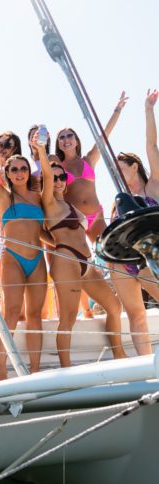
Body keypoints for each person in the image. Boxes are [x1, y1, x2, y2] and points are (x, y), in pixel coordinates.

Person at [32, 136, 126, 366]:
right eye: (52, 178)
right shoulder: (50, 203)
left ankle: (119, 354)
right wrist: (42, 151)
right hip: (66, 261)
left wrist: (53, 238)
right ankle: (66, 367)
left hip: (86, 261)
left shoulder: (69, 204)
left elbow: (47, 232)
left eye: (61, 177)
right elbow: (45, 174)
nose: (57, 181)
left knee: (114, 306)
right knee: (69, 317)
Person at [0, 124, 47, 379]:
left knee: (35, 316)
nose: (19, 172)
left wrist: (39, 148)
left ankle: (36, 370)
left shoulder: (39, 196)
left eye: (23, 168)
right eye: (14, 169)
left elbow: (49, 176)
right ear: (7, 173)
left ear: (29, 171)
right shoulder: (4, 197)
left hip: (38, 259)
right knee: (11, 314)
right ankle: (1, 370)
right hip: (12, 260)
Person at [107, 89, 159, 354]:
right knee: (136, 316)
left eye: (120, 166)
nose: (116, 172)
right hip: (122, 263)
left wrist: (148, 110)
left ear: (134, 165)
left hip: (151, 256)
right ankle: (147, 371)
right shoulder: (118, 201)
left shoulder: (153, 188)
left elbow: (152, 147)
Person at [55, 91, 128, 242]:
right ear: (58, 144)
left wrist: (117, 109)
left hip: (97, 216)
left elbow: (104, 134)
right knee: (85, 262)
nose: (66, 139)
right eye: (61, 137)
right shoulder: (57, 166)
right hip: (75, 218)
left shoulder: (88, 159)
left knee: (107, 260)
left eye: (70, 136)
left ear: (76, 140)